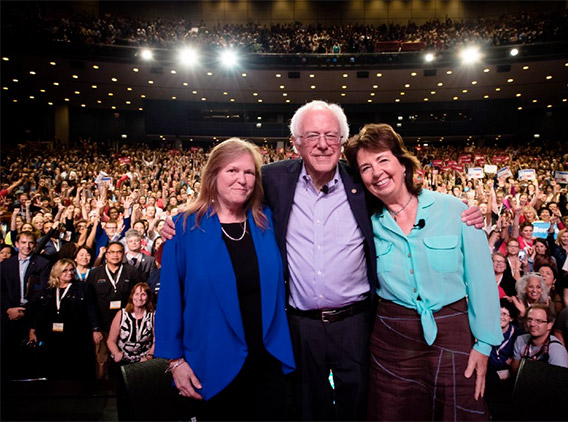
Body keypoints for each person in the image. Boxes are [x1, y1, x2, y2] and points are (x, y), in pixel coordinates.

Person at [161, 101, 484, 420]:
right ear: (296, 143)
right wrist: (177, 222)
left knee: (359, 407)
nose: (322, 144)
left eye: (331, 135)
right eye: (312, 135)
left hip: (356, 323)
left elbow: (401, 195)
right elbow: (226, 197)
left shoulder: (361, 180)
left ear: (342, 142)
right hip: (300, 327)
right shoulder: (274, 180)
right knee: (307, 410)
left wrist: (461, 211)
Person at [343, 123, 502, 420]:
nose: (376, 172)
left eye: (383, 160)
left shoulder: (456, 210)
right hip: (392, 338)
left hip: (452, 333)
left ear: (402, 163)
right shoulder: (366, 223)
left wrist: (483, 345)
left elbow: (481, 282)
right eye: (365, 167)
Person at [155, 138, 295, 420]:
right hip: (213, 365)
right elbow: (169, 300)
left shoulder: (267, 221)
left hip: (269, 363)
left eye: (249, 173)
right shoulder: (183, 228)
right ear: (213, 175)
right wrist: (176, 362)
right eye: (232, 170)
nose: (241, 179)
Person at [27, 259, 101, 380]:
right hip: (52, 336)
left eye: (71, 270)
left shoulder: (83, 288)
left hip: (75, 334)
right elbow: (40, 312)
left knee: (74, 370)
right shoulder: (49, 290)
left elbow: (91, 309)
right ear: (57, 272)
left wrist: (95, 329)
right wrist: (33, 329)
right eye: (65, 270)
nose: (69, 273)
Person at [86, 241, 144, 380]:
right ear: (106, 254)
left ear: (123, 254)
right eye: (112, 252)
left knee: (125, 362)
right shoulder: (95, 273)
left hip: (127, 326)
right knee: (102, 360)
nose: (115, 255)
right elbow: (90, 303)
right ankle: (103, 393)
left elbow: (140, 297)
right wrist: (95, 328)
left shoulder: (132, 272)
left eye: (118, 252)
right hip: (103, 325)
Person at [0, 231, 52, 380]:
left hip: (32, 314)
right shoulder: (5, 265)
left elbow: (44, 291)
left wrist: (26, 310)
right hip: (9, 315)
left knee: (31, 357)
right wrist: (8, 309)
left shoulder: (43, 263)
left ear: (35, 245)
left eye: (30, 243)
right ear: (16, 244)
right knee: (9, 354)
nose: (27, 246)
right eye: (23, 243)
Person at [510, 303, 568, 373]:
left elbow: (559, 380)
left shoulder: (556, 350)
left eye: (538, 321)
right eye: (529, 319)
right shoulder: (520, 340)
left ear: (549, 325)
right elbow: (514, 372)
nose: (532, 324)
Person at [106, 282, 155, 363]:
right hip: (123, 359)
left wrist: (149, 356)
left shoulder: (152, 316)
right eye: (137, 294)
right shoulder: (121, 314)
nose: (139, 298)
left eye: (143, 294)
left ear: (148, 297)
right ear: (132, 296)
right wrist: (116, 353)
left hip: (144, 361)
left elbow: (156, 341)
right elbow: (111, 340)